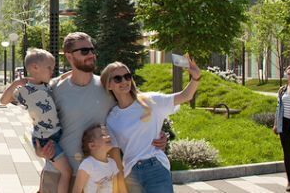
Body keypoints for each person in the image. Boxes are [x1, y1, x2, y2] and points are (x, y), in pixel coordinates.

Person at [37, 34, 168, 185]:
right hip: (57, 173)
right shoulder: (54, 88)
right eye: (84, 51)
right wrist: (38, 150)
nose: (91, 54)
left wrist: (157, 134)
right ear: (69, 56)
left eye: (92, 50)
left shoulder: (109, 87)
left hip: (97, 176)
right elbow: (39, 127)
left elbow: (136, 109)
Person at [101, 54, 202, 193]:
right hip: (131, 173)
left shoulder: (150, 101)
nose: (124, 81)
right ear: (108, 85)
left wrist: (196, 78)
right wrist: (119, 179)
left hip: (156, 168)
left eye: (127, 76)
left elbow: (185, 96)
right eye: (117, 78)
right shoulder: (112, 118)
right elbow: (114, 152)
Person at [2, 48, 74, 193]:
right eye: (49, 68)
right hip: (45, 138)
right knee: (66, 172)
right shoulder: (25, 90)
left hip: (54, 133)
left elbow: (61, 78)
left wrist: (75, 70)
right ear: (35, 67)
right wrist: (15, 84)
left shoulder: (47, 85)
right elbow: (3, 100)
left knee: (49, 165)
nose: (52, 71)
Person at [76, 124, 125, 193]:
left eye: (108, 134)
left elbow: (115, 190)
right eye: (103, 135)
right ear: (92, 145)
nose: (108, 136)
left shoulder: (113, 163)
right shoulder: (87, 164)